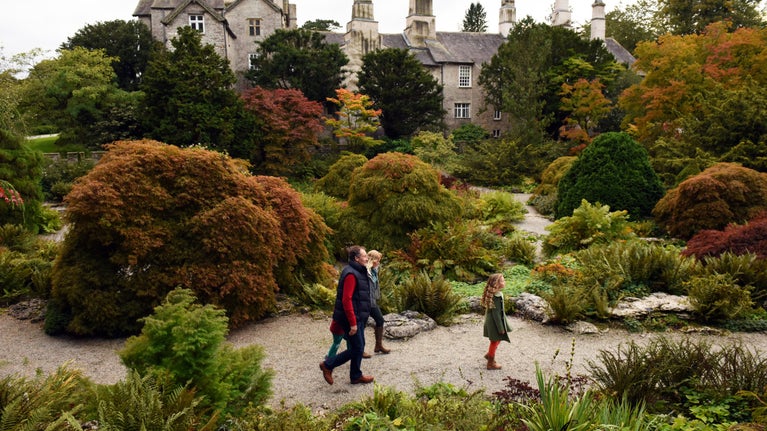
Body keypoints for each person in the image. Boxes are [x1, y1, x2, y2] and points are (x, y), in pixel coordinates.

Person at [320, 245, 375, 385]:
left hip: (359, 316)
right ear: (356, 258)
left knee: (359, 346)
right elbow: (346, 299)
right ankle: (328, 365)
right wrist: (353, 323)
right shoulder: (351, 274)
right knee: (357, 348)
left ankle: (356, 375)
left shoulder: (359, 271)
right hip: (350, 318)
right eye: (364, 256)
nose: (366, 258)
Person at [481, 273, 511, 370]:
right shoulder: (496, 297)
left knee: (497, 339)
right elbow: (496, 314)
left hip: (492, 321)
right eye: (502, 280)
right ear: (496, 284)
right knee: (494, 341)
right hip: (494, 322)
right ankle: (490, 363)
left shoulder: (496, 294)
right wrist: (500, 328)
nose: (504, 282)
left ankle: (489, 354)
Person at [366, 250, 390, 355]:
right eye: (378, 260)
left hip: (373, 301)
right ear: (373, 260)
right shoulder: (365, 271)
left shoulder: (374, 270)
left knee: (380, 320)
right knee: (361, 325)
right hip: (365, 302)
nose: (379, 263)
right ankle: (359, 350)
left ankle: (378, 345)